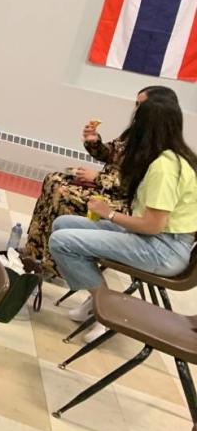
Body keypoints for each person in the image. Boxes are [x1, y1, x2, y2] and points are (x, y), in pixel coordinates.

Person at [49, 94, 197, 343]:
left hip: (164, 249)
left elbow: (153, 225)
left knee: (62, 241)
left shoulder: (165, 167)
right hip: (159, 240)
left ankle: (102, 309)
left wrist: (110, 214)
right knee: (63, 224)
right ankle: (97, 298)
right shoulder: (170, 158)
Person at [23, 85, 179, 277]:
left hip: (122, 203)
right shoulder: (135, 133)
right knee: (53, 180)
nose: (137, 110)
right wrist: (94, 141)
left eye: (141, 105)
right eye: (136, 104)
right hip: (106, 188)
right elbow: (111, 155)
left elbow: (135, 186)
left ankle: (54, 263)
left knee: (63, 193)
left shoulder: (159, 150)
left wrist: (97, 178)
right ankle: (34, 251)